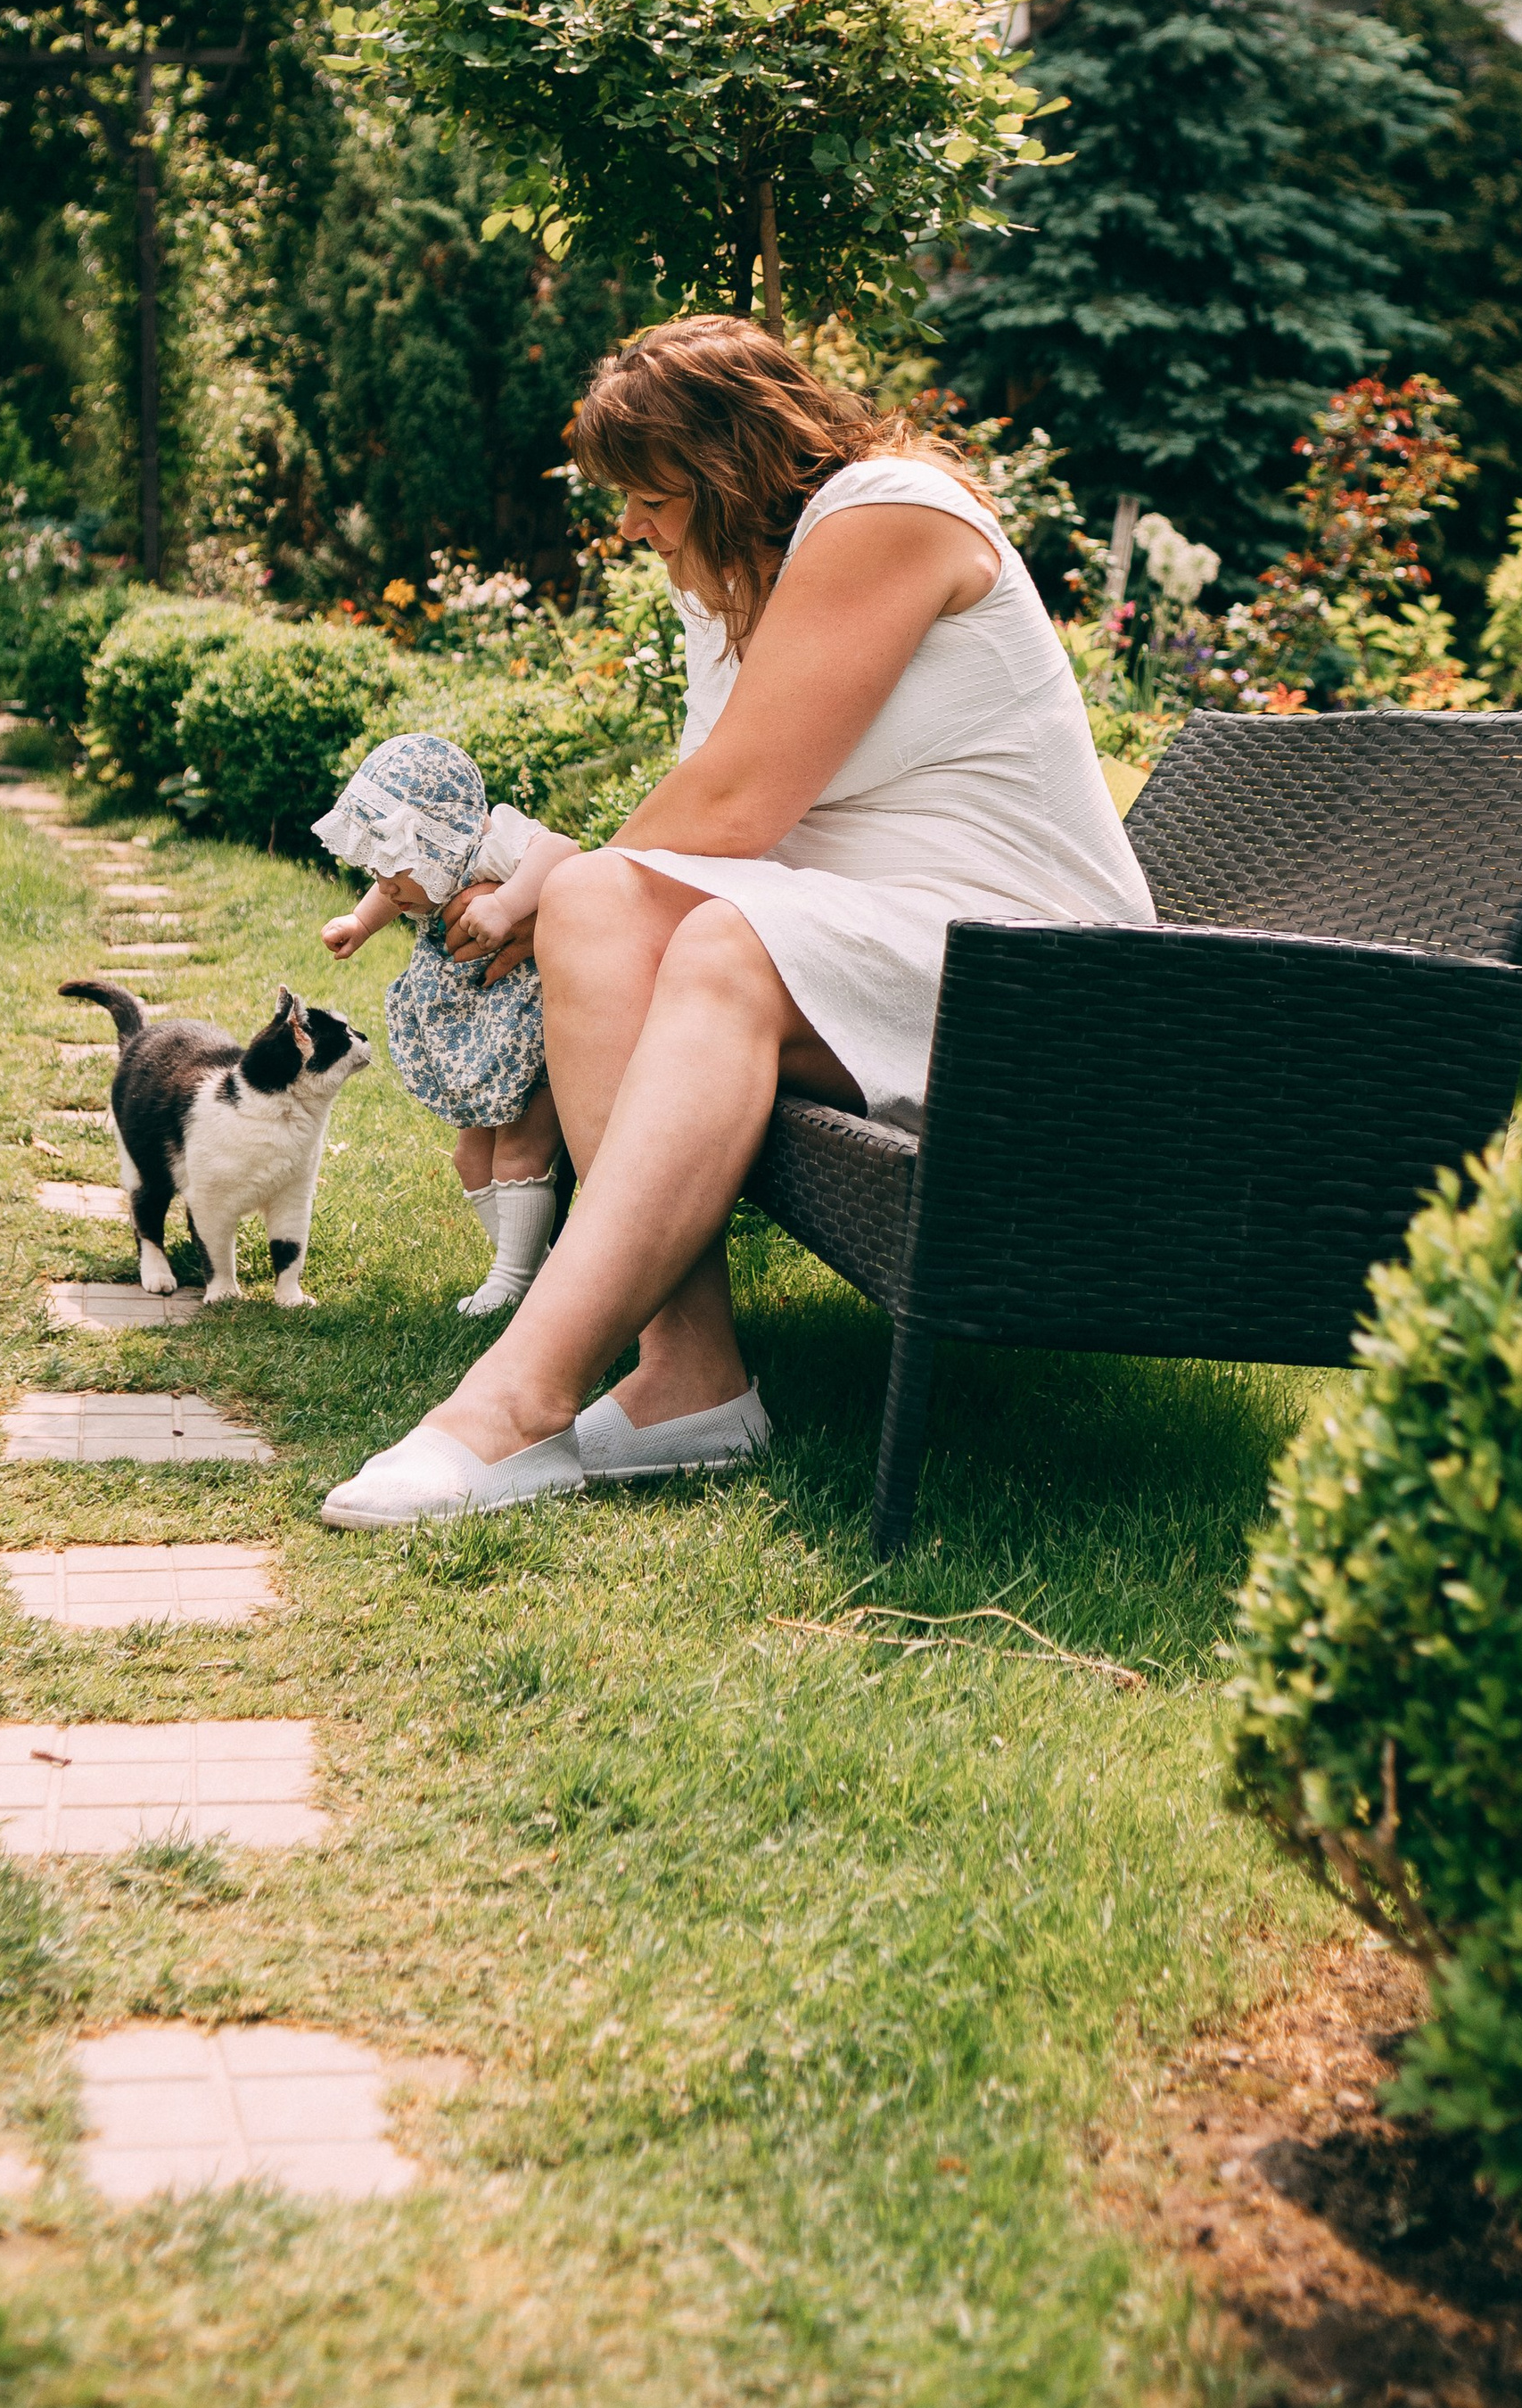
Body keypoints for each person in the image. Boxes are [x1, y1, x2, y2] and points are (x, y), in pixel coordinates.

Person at [320, 317, 1154, 1529]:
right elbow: (676, 839)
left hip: (1042, 974)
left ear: (721, 465)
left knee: (710, 939)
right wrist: (557, 885)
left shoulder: (888, 513)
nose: (630, 530)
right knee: (604, 904)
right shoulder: (737, 600)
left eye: (644, 495)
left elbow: (738, 803)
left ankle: (515, 1403)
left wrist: (542, 880)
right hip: (895, 950)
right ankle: (688, 1380)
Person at [317, 732, 578, 1314]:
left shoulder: (490, 846)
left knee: (518, 1154)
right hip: (483, 1035)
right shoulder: (423, 872)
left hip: (533, 1031)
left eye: (395, 871)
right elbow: (393, 888)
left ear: (439, 842)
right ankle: (536, 1274)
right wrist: (360, 923)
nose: (385, 885)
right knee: (469, 1158)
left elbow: (563, 851)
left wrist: (508, 905)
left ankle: (512, 1284)